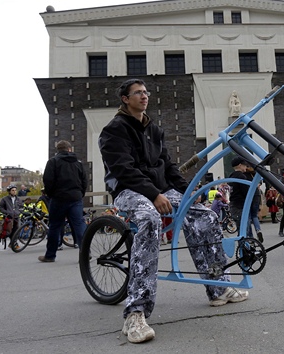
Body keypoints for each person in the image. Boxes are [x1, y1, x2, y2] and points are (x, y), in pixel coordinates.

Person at [98, 78, 248, 344]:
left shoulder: (153, 129)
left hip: (161, 189)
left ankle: (218, 288)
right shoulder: (114, 130)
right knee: (149, 219)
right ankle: (135, 313)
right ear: (125, 99)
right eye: (138, 93)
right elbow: (124, 170)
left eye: (146, 92)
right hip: (128, 190)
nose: (144, 96)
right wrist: (153, 195)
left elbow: (168, 166)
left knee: (206, 215)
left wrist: (189, 191)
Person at [38, 140, 88, 263]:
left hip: (58, 198)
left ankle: (50, 255)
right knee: (79, 225)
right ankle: (86, 253)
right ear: (69, 149)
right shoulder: (78, 163)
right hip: (75, 198)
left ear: (58, 150)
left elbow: (48, 180)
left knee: (55, 226)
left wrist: (51, 194)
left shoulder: (53, 162)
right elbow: (85, 180)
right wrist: (80, 194)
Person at [228, 156, 251, 237]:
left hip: (233, 204)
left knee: (240, 227)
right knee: (244, 228)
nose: (246, 167)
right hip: (241, 205)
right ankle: (244, 246)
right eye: (245, 165)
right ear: (240, 165)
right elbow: (246, 192)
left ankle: (243, 245)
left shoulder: (231, 176)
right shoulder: (242, 177)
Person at [245, 165, 264, 242]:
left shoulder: (244, 175)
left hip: (248, 196)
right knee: (254, 215)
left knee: (248, 217)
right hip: (256, 195)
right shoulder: (255, 173)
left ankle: (250, 236)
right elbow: (260, 182)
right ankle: (258, 229)